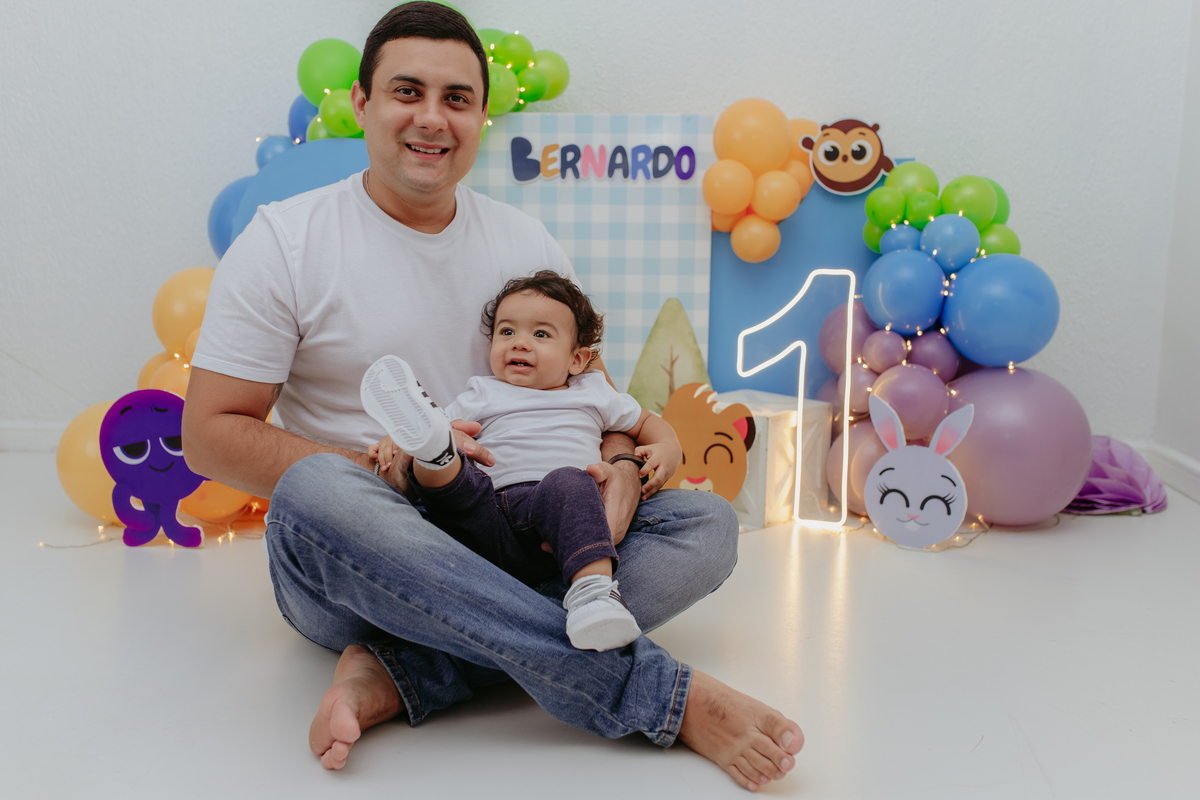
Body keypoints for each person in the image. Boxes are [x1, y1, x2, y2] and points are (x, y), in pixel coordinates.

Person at [181, 1, 803, 791]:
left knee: (705, 527)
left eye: (457, 99)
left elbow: (593, 397)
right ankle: (659, 695)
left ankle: (403, 673)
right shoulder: (284, 240)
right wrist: (385, 470)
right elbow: (210, 434)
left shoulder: (524, 242)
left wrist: (620, 466)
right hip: (370, 552)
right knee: (313, 491)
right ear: (362, 103)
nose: (431, 118)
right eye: (407, 92)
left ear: (480, 118)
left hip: (520, 527)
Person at [363, 271, 683, 652]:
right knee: (457, 469)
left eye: (541, 334)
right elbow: (450, 424)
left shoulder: (593, 392)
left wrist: (669, 446)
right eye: (507, 332)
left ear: (577, 359)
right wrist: (402, 439)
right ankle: (431, 453)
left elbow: (644, 421)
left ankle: (594, 596)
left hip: (560, 521)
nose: (519, 343)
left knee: (571, 483)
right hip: (490, 511)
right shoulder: (482, 392)